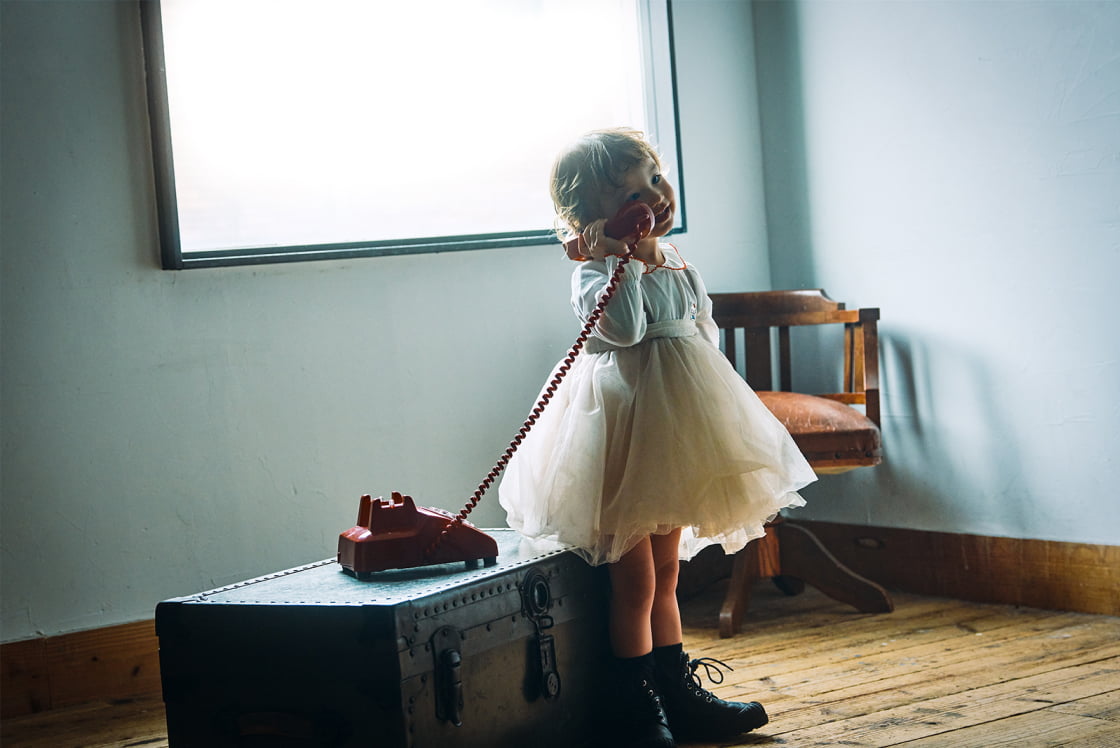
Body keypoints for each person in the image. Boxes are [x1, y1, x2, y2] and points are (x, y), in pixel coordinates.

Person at [498, 128, 816, 748]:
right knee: (635, 577)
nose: (652, 196)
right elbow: (622, 331)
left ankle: (677, 690)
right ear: (593, 219)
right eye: (627, 194)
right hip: (622, 429)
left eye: (654, 179)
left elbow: (704, 337)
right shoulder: (597, 271)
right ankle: (632, 701)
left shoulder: (680, 264)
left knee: (667, 572)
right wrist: (621, 259)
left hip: (677, 427)